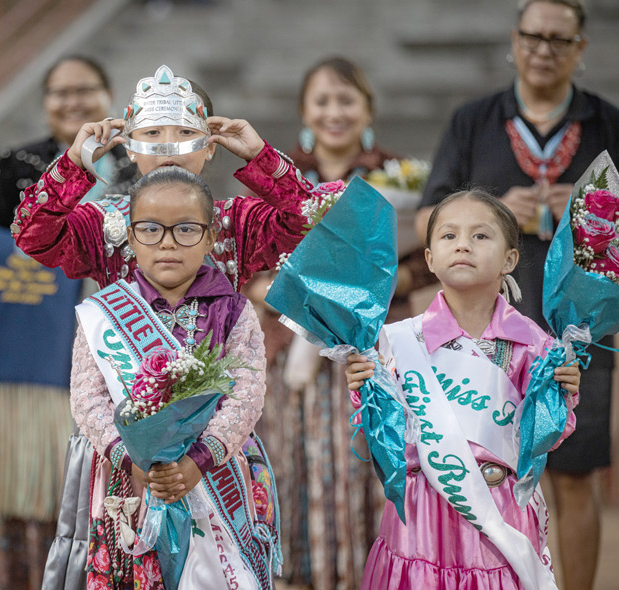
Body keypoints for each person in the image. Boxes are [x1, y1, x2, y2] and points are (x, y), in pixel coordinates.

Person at [12, 64, 314, 590]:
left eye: (183, 133)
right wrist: (74, 164)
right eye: (152, 133)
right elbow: (32, 234)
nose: (168, 147)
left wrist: (261, 157)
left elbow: (309, 218)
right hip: (124, 449)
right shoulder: (105, 225)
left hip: (218, 444)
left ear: (210, 145)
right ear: (128, 145)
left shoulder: (233, 224)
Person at [414, 2, 619, 587]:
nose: (544, 49)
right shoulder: (474, 120)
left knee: (575, 475)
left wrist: (589, 220)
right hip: (483, 330)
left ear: (580, 47)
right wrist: (496, 211)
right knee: (483, 472)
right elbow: (430, 214)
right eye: (533, 36)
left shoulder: (608, 124)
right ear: (514, 40)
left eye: (560, 39)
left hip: (579, 333)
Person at [244, 56, 430, 588]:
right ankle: (299, 574)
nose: (335, 111)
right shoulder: (278, 181)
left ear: (367, 110)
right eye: (322, 100)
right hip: (293, 351)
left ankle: (366, 571)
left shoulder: (399, 179)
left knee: (361, 468)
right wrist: (288, 295)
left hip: (370, 355)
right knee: (292, 463)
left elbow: (421, 262)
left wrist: (372, 289)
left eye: (347, 100)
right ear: (305, 110)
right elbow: (250, 262)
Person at [0, 55, 136, 590]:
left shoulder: (133, 165)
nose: (73, 101)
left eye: (86, 90)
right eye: (60, 93)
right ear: (44, 102)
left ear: (108, 95)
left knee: (107, 483)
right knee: (31, 490)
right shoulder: (16, 163)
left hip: (115, 345)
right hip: (31, 350)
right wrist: (39, 258)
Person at [348, 190, 581, 589]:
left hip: (500, 512)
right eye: (449, 235)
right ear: (429, 259)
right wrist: (365, 391)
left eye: (480, 236)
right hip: (422, 514)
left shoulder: (536, 345)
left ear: (509, 259)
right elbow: (380, 443)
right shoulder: (397, 342)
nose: (463, 245)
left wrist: (560, 395)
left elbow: (545, 439)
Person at [71, 167, 276, 589]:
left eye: (185, 229)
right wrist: (131, 459)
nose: (167, 242)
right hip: (129, 479)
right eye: (150, 229)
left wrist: (198, 461)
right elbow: (87, 397)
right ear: (130, 238)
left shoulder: (233, 310)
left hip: (217, 474)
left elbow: (246, 394)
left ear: (209, 237)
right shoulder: (103, 311)